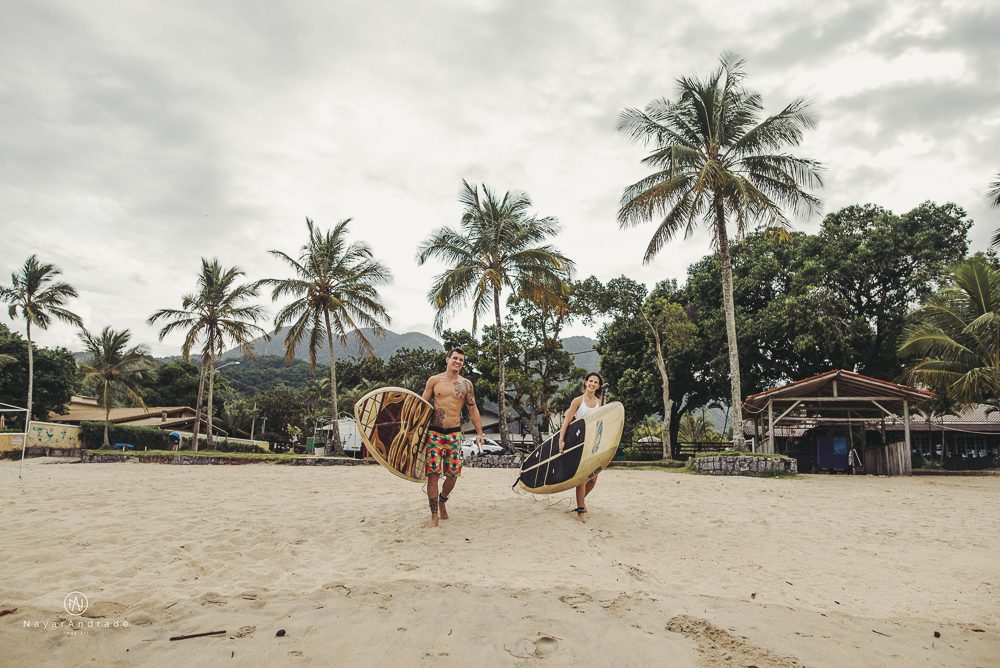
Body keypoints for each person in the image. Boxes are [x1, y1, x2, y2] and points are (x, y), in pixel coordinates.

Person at [421, 348, 484, 528]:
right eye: (455, 358)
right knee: (433, 475)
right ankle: (434, 516)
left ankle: (443, 500)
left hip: (454, 434)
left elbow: (472, 409)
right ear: (447, 359)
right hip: (434, 432)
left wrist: (479, 433)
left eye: (461, 360)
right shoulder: (434, 381)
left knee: (453, 475)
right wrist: (413, 431)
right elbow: (422, 406)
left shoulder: (466, 385)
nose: (458, 361)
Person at [557, 371, 605, 523]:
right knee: (583, 479)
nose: (592, 384)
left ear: (598, 386)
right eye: (590, 381)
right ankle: (580, 513)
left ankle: (580, 502)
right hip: (579, 442)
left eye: (595, 382)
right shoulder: (578, 401)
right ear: (585, 382)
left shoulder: (600, 402)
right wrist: (561, 439)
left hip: (594, 444)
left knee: (593, 479)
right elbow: (567, 422)